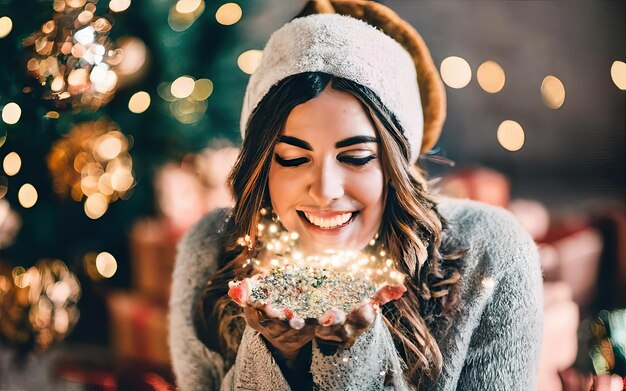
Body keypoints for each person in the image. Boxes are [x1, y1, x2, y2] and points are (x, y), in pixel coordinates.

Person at [168, 1, 543, 390]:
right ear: (263, 163)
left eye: (357, 157)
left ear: (396, 165)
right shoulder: (213, 251)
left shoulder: (489, 253)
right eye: (294, 158)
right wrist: (278, 355)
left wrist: (351, 357)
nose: (326, 190)